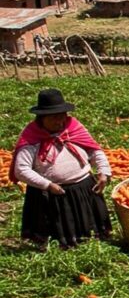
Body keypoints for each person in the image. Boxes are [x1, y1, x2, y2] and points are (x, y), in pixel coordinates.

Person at [10, 88, 112, 248]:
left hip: (83, 187)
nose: (60, 122)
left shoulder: (73, 128)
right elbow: (21, 169)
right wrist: (47, 185)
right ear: (42, 118)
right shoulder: (32, 136)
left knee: (90, 231)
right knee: (58, 234)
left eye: (62, 117)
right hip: (51, 193)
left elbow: (94, 150)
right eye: (54, 118)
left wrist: (103, 171)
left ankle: (91, 239)